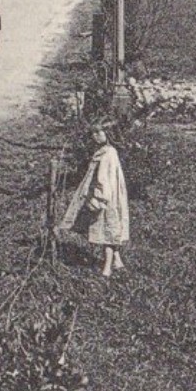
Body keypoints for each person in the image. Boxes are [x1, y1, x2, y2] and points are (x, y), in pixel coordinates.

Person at [60, 118, 130, 277]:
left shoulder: (107, 154)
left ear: (108, 134)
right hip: (112, 195)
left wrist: (99, 198)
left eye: (99, 132)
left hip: (106, 197)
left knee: (107, 230)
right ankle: (117, 261)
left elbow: (103, 179)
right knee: (111, 227)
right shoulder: (107, 151)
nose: (95, 136)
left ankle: (107, 268)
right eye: (93, 133)